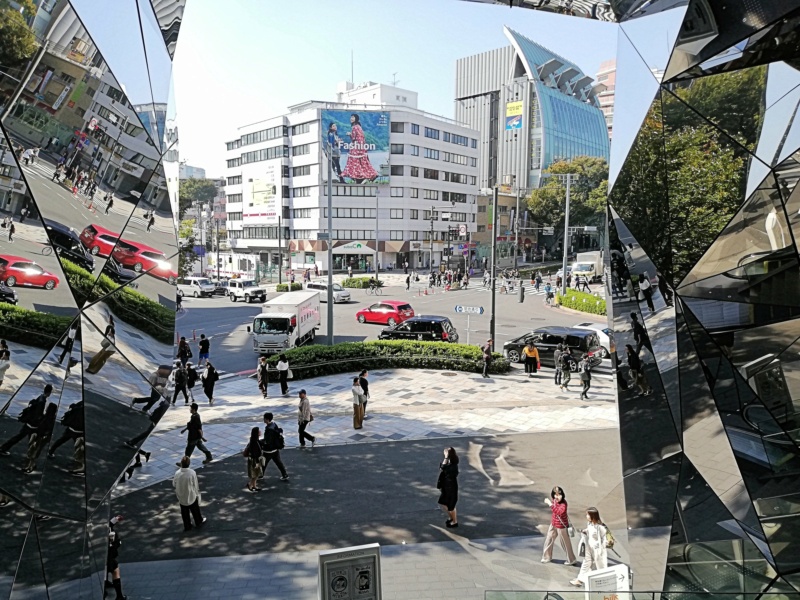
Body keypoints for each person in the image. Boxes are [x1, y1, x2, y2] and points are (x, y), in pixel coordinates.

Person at [0, 384, 52, 455]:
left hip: (29, 423)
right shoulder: (42, 401)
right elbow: (38, 414)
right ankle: (32, 456)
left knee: (19, 437)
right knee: (35, 440)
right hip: (33, 425)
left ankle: (3, 448)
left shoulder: (40, 397)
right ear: (49, 392)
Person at [570, 507, 610, 587]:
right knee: (586, 563)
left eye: (588, 515)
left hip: (597, 550)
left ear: (593, 516)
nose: (586, 516)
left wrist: (600, 546)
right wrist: (585, 531)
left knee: (601, 566)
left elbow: (604, 539)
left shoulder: (600, 527)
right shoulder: (590, 523)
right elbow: (590, 530)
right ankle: (580, 580)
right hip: (589, 547)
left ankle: (605, 583)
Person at [541, 485, 577, 565]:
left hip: (561, 526)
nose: (557, 496)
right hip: (553, 524)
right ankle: (547, 557)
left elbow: (559, 512)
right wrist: (552, 503)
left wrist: (550, 504)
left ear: (562, 495)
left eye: (559, 494)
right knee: (548, 540)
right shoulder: (554, 501)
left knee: (565, 543)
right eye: (555, 494)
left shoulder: (564, 504)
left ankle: (571, 559)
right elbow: (555, 509)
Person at [341, 113, 379, 183]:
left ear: (356, 119)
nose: (351, 119)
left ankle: (358, 177)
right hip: (362, 147)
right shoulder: (359, 127)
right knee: (362, 163)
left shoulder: (355, 127)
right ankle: (369, 175)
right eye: (351, 117)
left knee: (354, 162)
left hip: (356, 147)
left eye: (353, 117)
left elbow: (353, 138)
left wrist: (349, 134)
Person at [173, 456, 206, 531]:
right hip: (190, 494)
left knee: (184, 511)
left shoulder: (177, 473)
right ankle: (198, 521)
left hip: (181, 495)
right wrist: (197, 493)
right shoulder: (192, 473)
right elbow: (195, 485)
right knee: (195, 509)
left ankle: (187, 525)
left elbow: (174, 484)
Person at [22, 403, 58, 473]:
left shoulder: (45, 418)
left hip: (40, 437)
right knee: (37, 450)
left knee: (34, 451)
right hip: (44, 437)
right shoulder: (51, 419)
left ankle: (30, 466)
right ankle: (32, 465)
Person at [261, 412, 289, 480]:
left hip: (269, 450)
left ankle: (260, 475)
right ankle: (284, 474)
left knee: (263, 463)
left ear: (267, 419)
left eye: (264, 418)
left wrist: (261, 443)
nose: (263, 419)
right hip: (275, 449)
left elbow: (267, 441)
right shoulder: (274, 425)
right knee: (278, 462)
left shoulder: (269, 430)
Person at [437, 447, 460, 528]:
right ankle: (452, 518)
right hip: (447, 487)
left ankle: (454, 521)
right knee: (444, 503)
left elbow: (442, 468)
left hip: (450, 488)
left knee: (451, 506)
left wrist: (446, 457)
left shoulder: (452, 465)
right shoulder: (451, 461)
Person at [105, 516, 127, 599]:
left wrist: (116, 519)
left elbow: (109, 524)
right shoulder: (112, 541)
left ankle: (106, 582)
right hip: (109, 558)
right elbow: (117, 545)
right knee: (115, 571)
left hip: (103, 557)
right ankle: (119, 596)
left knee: (105, 569)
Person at [244, 426, 263, 492]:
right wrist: (257, 462)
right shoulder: (254, 442)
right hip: (255, 460)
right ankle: (250, 485)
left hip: (254, 459)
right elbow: (255, 453)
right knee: (255, 474)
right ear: (257, 433)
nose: (260, 432)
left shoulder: (254, 440)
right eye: (259, 431)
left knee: (256, 474)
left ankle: (253, 486)